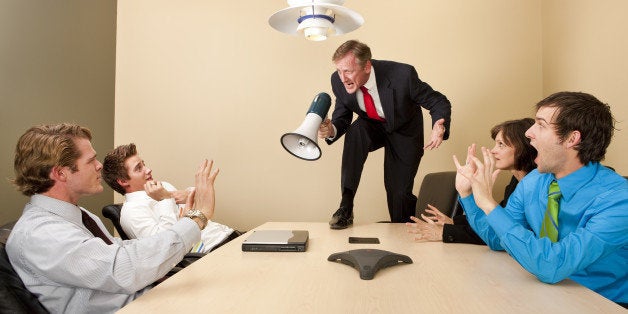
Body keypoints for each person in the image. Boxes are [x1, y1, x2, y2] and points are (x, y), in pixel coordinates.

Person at [6, 123, 219, 313]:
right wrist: (196, 219)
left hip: (149, 297)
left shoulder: (78, 215)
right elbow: (124, 269)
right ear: (61, 173)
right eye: (91, 161)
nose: (99, 166)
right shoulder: (41, 234)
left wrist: (186, 223)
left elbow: (119, 252)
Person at [454, 92, 627, 305]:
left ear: (572, 139)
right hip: (544, 293)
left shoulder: (619, 200)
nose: (528, 133)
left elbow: (552, 265)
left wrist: (489, 204)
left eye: (541, 125)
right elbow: (497, 239)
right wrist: (468, 194)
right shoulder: (534, 181)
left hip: (602, 303)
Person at [318, 39, 452, 229]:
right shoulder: (338, 81)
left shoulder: (403, 75)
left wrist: (440, 125)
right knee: (356, 132)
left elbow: (438, 101)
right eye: (339, 71)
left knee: (398, 194)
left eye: (347, 71)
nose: (342, 77)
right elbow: (343, 115)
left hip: (404, 130)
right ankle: (345, 206)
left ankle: (406, 229)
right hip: (372, 125)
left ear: (366, 66)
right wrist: (331, 129)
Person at [407, 118, 537, 244]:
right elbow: (500, 219)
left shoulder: (536, 185)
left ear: (523, 147)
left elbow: (503, 233)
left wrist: (445, 231)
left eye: (501, 144)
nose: (493, 150)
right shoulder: (516, 180)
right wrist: (454, 222)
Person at [103, 143, 239, 253]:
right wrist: (165, 199)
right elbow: (166, 247)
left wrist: (187, 195)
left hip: (228, 234)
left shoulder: (163, 186)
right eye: (139, 168)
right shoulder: (131, 213)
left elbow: (201, 209)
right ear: (123, 181)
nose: (148, 169)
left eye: (143, 164)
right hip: (211, 250)